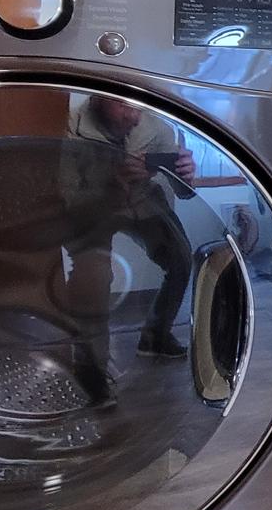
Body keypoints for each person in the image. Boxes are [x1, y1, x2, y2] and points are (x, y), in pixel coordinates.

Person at [63, 94, 197, 379]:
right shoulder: (69, 125)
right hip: (92, 207)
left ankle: (155, 336)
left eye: (138, 106)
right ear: (98, 97)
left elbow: (185, 193)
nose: (134, 116)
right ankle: (91, 370)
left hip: (143, 201)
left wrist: (186, 175)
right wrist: (112, 180)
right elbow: (66, 196)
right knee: (93, 276)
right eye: (123, 105)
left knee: (181, 259)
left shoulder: (157, 127)